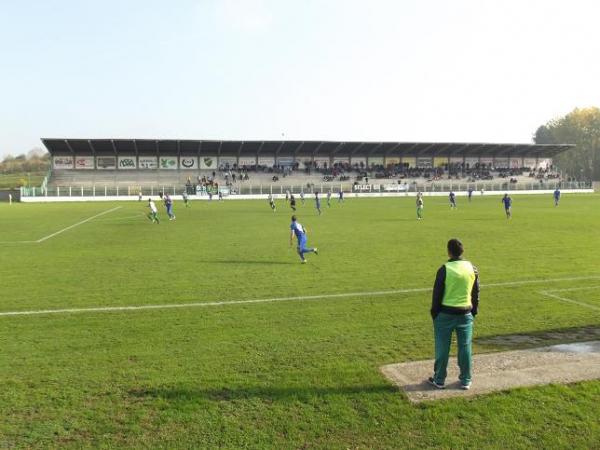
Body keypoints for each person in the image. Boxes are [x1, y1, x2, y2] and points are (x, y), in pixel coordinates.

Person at [428, 238, 479, 390]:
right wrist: (474, 311)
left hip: (445, 314)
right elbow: (475, 292)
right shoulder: (472, 268)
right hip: (465, 313)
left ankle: (439, 380)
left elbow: (436, 294)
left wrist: (434, 313)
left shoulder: (444, 269)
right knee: (465, 347)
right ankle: (466, 380)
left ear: (448, 251)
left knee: (442, 348)